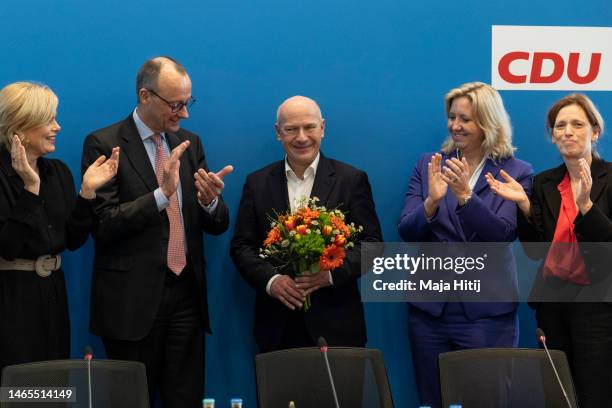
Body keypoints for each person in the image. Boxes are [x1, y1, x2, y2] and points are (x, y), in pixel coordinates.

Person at [81, 56, 232, 407]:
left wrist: (211, 203)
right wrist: (161, 196)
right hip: (130, 303)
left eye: (188, 102)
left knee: (186, 398)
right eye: (176, 104)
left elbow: (217, 224)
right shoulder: (104, 144)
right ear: (145, 96)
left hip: (187, 298)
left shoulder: (190, 143)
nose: (185, 114)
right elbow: (103, 225)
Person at [397, 82, 533, 408]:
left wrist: (465, 198)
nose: (455, 126)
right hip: (430, 311)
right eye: (452, 117)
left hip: (486, 313)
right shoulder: (428, 164)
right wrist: (431, 201)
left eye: (466, 119)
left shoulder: (516, 171)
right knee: (432, 399)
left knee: (486, 398)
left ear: (488, 123)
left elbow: (502, 234)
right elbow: (406, 229)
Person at [487, 93, 612, 407]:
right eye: (560, 126)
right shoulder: (543, 182)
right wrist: (526, 207)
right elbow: (533, 250)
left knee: (595, 393)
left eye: (577, 124)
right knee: (557, 394)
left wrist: (585, 205)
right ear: (552, 135)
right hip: (553, 303)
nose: (567, 131)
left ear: (595, 132)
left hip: (599, 307)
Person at [230, 95, 382, 352]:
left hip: (338, 327)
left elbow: (374, 246)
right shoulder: (256, 183)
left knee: (340, 394)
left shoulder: (351, 179)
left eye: (309, 127)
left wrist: (330, 275)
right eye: (291, 129)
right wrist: (272, 281)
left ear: (322, 128)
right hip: (277, 328)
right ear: (278, 133)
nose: (301, 137)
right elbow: (241, 246)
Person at [0, 81, 118, 375]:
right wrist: (30, 189)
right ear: (20, 128)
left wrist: (88, 193)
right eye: (49, 120)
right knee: (17, 392)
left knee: (52, 388)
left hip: (53, 295)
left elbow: (73, 240)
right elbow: (7, 246)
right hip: (10, 301)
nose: (58, 127)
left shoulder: (58, 172)